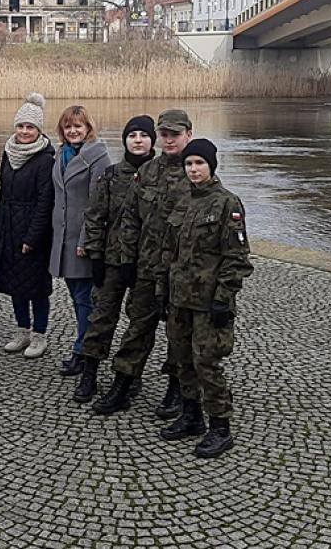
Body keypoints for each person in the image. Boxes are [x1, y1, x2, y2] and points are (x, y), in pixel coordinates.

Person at [92, 108, 194, 416]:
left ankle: (177, 390)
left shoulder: (197, 169)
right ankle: (123, 384)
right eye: (164, 134)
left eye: (175, 134)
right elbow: (130, 219)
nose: (169, 140)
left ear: (188, 134)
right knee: (137, 328)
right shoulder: (148, 172)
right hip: (146, 269)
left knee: (179, 333)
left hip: (181, 272)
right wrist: (126, 260)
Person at [158, 138, 253, 457]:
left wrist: (223, 299)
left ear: (211, 166)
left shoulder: (228, 203)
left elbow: (237, 257)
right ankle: (191, 416)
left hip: (208, 300)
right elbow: (169, 251)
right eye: (189, 164)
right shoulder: (182, 200)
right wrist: (164, 292)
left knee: (207, 363)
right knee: (182, 360)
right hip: (180, 298)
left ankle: (220, 426)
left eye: (199, 163)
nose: (194, 169)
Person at [73, 115, 155, 401]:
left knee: (140, 324)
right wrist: (95, 255)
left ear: (151, 140)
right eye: (132, 135)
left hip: (148, 264)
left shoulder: (163, 176)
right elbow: (95, 217)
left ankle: (129, 376)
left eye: (144, 135)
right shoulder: (110, 175)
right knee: (101, 318)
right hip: (112, 260)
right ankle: (89, 375)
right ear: (125, 140)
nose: (138, 140)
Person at [0, 93, 56, 359]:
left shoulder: (46, 159)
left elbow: (45, 201)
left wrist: (33, 236)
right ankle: (22, 330)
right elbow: (3, 192)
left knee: (37, 286)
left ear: (39, 130)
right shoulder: (8, 153)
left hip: (33, 229)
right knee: (16, 282)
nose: (25, 131)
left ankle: (40, 334)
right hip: (8, 225)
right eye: (21, 126)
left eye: (30, 127)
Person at [50, 106, 112, 376]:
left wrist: (87, 240)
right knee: (77, 299)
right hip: (62, 238)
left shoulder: (98, 155)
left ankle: (84, 352)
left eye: (78, 126)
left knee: (85, 300)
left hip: (82, 240)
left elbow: (98, 203)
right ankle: (83, 347)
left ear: (88, 128)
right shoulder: (60, 155)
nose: (73, 131)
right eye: (68, 126)